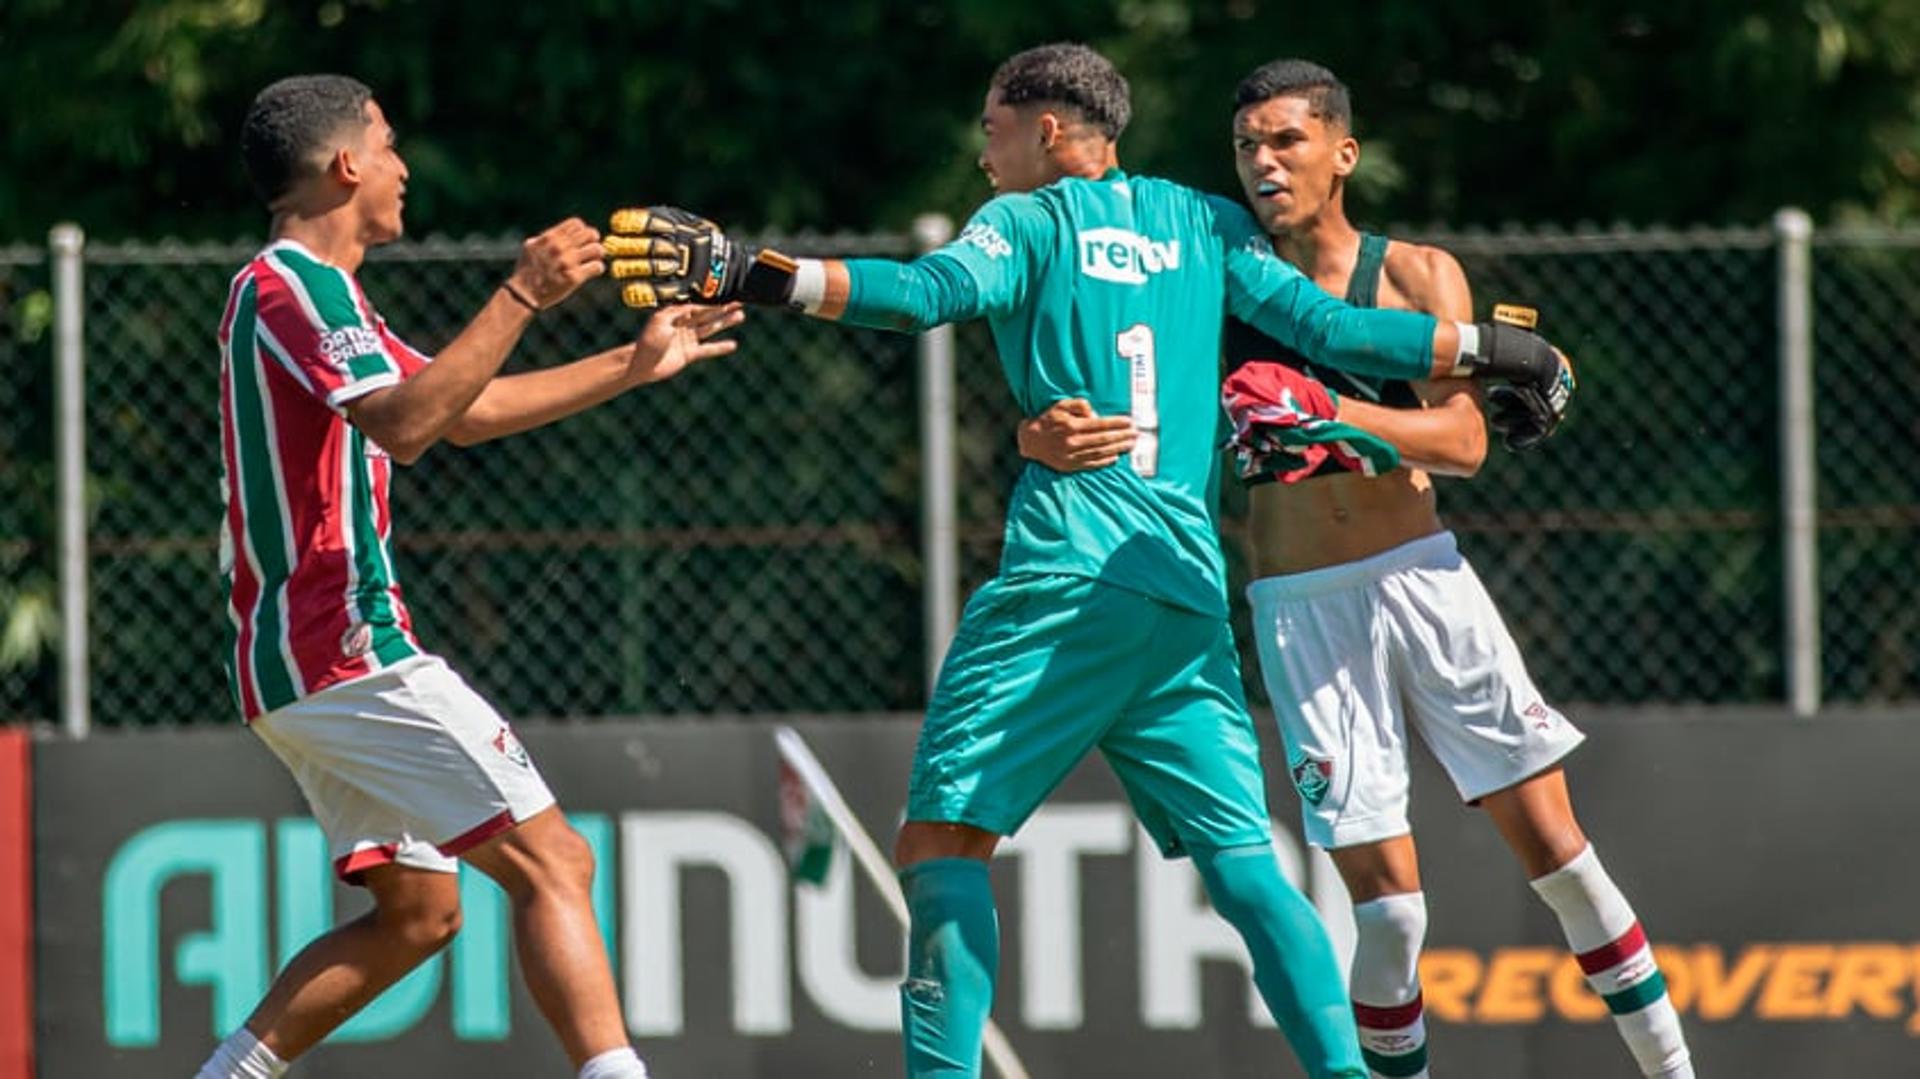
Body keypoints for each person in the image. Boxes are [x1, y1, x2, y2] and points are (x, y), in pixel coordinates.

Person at [606, 44, 1574, 1079]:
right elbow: (1338, 328)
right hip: (1186, 595)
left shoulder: (1028, 220)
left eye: (992, 129)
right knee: (1248, 868)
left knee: (941, 848)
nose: (985, 156)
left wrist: (753, 272)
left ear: (1051, 131)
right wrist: (1494, 349)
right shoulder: (1206, 222)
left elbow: (923, 291)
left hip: (1065, 579)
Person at [1018, 59, 1692, 1079]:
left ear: (1343, 152)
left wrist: (1332, 414)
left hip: (1422, 577)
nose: (1262, 163)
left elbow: (1463, 444)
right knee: (1392, 914)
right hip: (1300, 607)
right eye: (1247, 146)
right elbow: (1129, 383)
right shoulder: (1217, 273)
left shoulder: (1416, 274)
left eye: (1285, 141)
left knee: (1561, 855)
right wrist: (1042, 434)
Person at [200, 74, 743, 1079]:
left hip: (303, 659)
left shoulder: (319, 296)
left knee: (417, 914)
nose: (405, 167)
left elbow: (461, 408)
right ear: (346, 164)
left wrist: (631, 364)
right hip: (345, 645)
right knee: (556, 860)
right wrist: (522, 292)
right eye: (391, 145)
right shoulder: (288, 283)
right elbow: (407, 426)